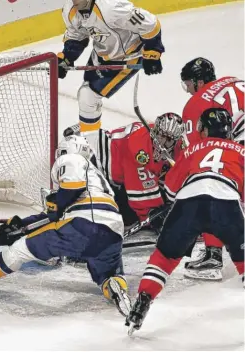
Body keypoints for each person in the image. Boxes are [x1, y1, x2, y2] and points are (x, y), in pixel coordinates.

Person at [0, 135, 132, 317]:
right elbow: (54, 215)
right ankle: (115, 288)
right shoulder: (96, 178)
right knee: (108, 274)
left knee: (19, 250)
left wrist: (53, 207)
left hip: (82, 225)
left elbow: (66, 199)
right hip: (112, 232)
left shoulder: (72, 159)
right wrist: (20, 225)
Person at [125, 108, 244, 335]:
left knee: (163, 258)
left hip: (188, 204)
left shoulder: (191, 150)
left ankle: (143, 301)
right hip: (226, 204)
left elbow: (170, 190)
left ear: (204, 129)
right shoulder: (241, 150)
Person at [58, 0, 164, 150]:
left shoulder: (111, 8)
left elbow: (150, 23)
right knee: (87, 91)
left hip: (127, 57)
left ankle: (91, 145)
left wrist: (153, 51)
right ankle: (89, 125)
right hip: (101, 54)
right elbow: (77, 36)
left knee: (88, 95)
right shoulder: (70, 11)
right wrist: (67, 57)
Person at [179, 57, 244, 279]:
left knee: (207, 183)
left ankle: (213, 257)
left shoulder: (195, 104)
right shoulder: (233, 80)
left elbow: (200, 155)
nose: (187, 90)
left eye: (188, 84)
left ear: (198, 81)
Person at [65, 113, 185, 231]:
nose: (162, 144)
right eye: (160, 136)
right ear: (155, 131)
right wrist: (153, 216)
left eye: (168, 140)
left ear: (176, 141)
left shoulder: (179, 147)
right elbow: (141, 198)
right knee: (126, 219)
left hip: (113, 166)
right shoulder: (139, 149)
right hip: (95, 161)